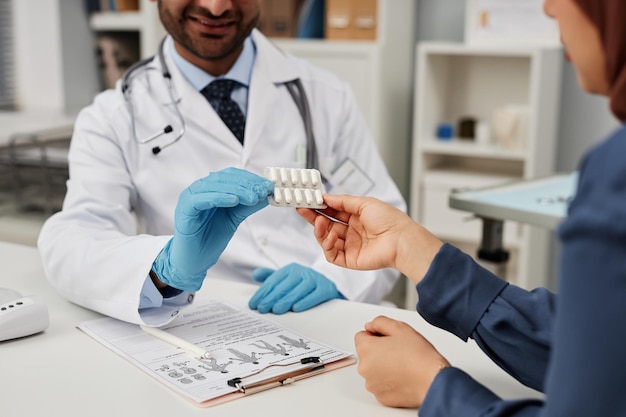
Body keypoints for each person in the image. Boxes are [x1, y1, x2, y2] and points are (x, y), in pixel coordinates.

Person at [297, 0, 626, 414]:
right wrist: (409, 247)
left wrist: (434, 388)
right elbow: (603, 347)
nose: (548, 8)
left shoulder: (615, 173)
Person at [37, 0, 405, 326]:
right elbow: (73, 241)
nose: (216, 7)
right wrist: (165, 269)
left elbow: (385, 215)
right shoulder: (112, 116)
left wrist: (337, 279)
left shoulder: (324, 93)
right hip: (203, 322)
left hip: (333, 313)